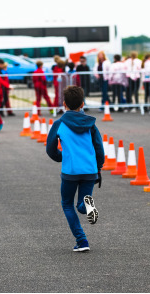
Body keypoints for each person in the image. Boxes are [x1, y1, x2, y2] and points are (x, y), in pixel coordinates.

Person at [46, 85, 104, 252]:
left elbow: (50, 149)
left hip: (70, 170)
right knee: (81, 203)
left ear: (64, 104)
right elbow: (98, 147)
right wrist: (98, 167)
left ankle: (82, 240)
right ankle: (87, 206)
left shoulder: (59, 124)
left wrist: (61, 157)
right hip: (90, 170)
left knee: (66, 204)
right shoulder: (90, 124)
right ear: (82, 104)